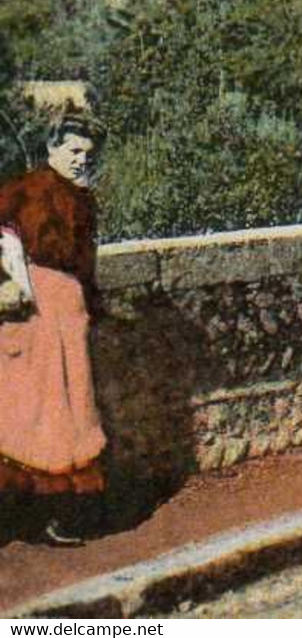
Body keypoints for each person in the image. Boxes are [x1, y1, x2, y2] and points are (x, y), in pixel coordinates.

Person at [0, 113, 106, 546]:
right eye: (73, 151)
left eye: (87, 153)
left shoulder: (84, 200)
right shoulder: (24, 190)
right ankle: (26, 517)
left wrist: (90, 307)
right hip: (32, 310)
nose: (81, 160)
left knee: (68, 412)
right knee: (30, 413)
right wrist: (7, 284)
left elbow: (85, 264)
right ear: (52, 149)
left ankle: (55, 517)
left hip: (68, 312)